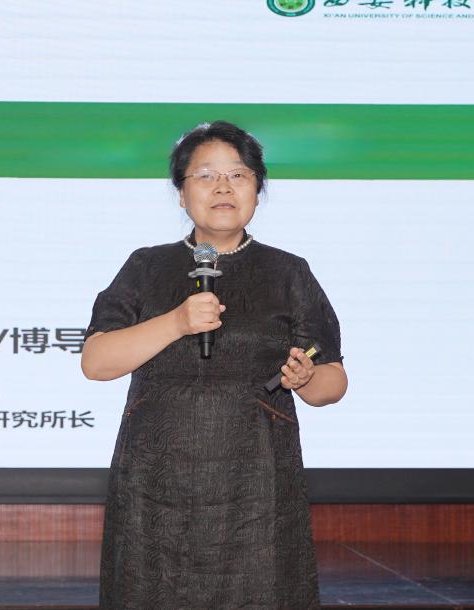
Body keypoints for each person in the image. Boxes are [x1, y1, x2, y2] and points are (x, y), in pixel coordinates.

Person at [81, 120, 348, 609]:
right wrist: (176, 322)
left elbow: (332, 380)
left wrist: (307, 379)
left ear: (257, 191)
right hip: (155, 481)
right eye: (205, 176)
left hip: (257, 483)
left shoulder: (287, 271)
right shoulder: (146, 266)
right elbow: (96, 362)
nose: (223, 187)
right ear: (182, 194)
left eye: (238, 175)